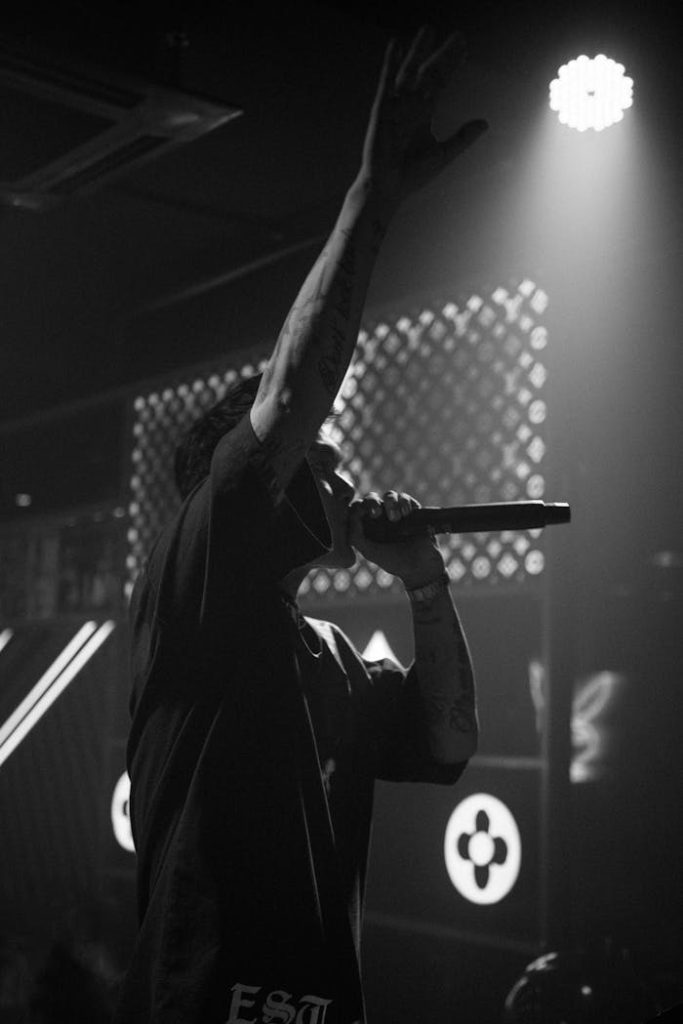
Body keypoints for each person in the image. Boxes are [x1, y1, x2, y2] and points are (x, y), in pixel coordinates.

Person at [114, 25, 488, 1024]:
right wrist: (371, 199)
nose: (335, 469)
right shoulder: (201, 581)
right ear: (246, 490)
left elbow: (449, 741)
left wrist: (422, 579)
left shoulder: (331, 654)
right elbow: (292, 394)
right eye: (315, 463)